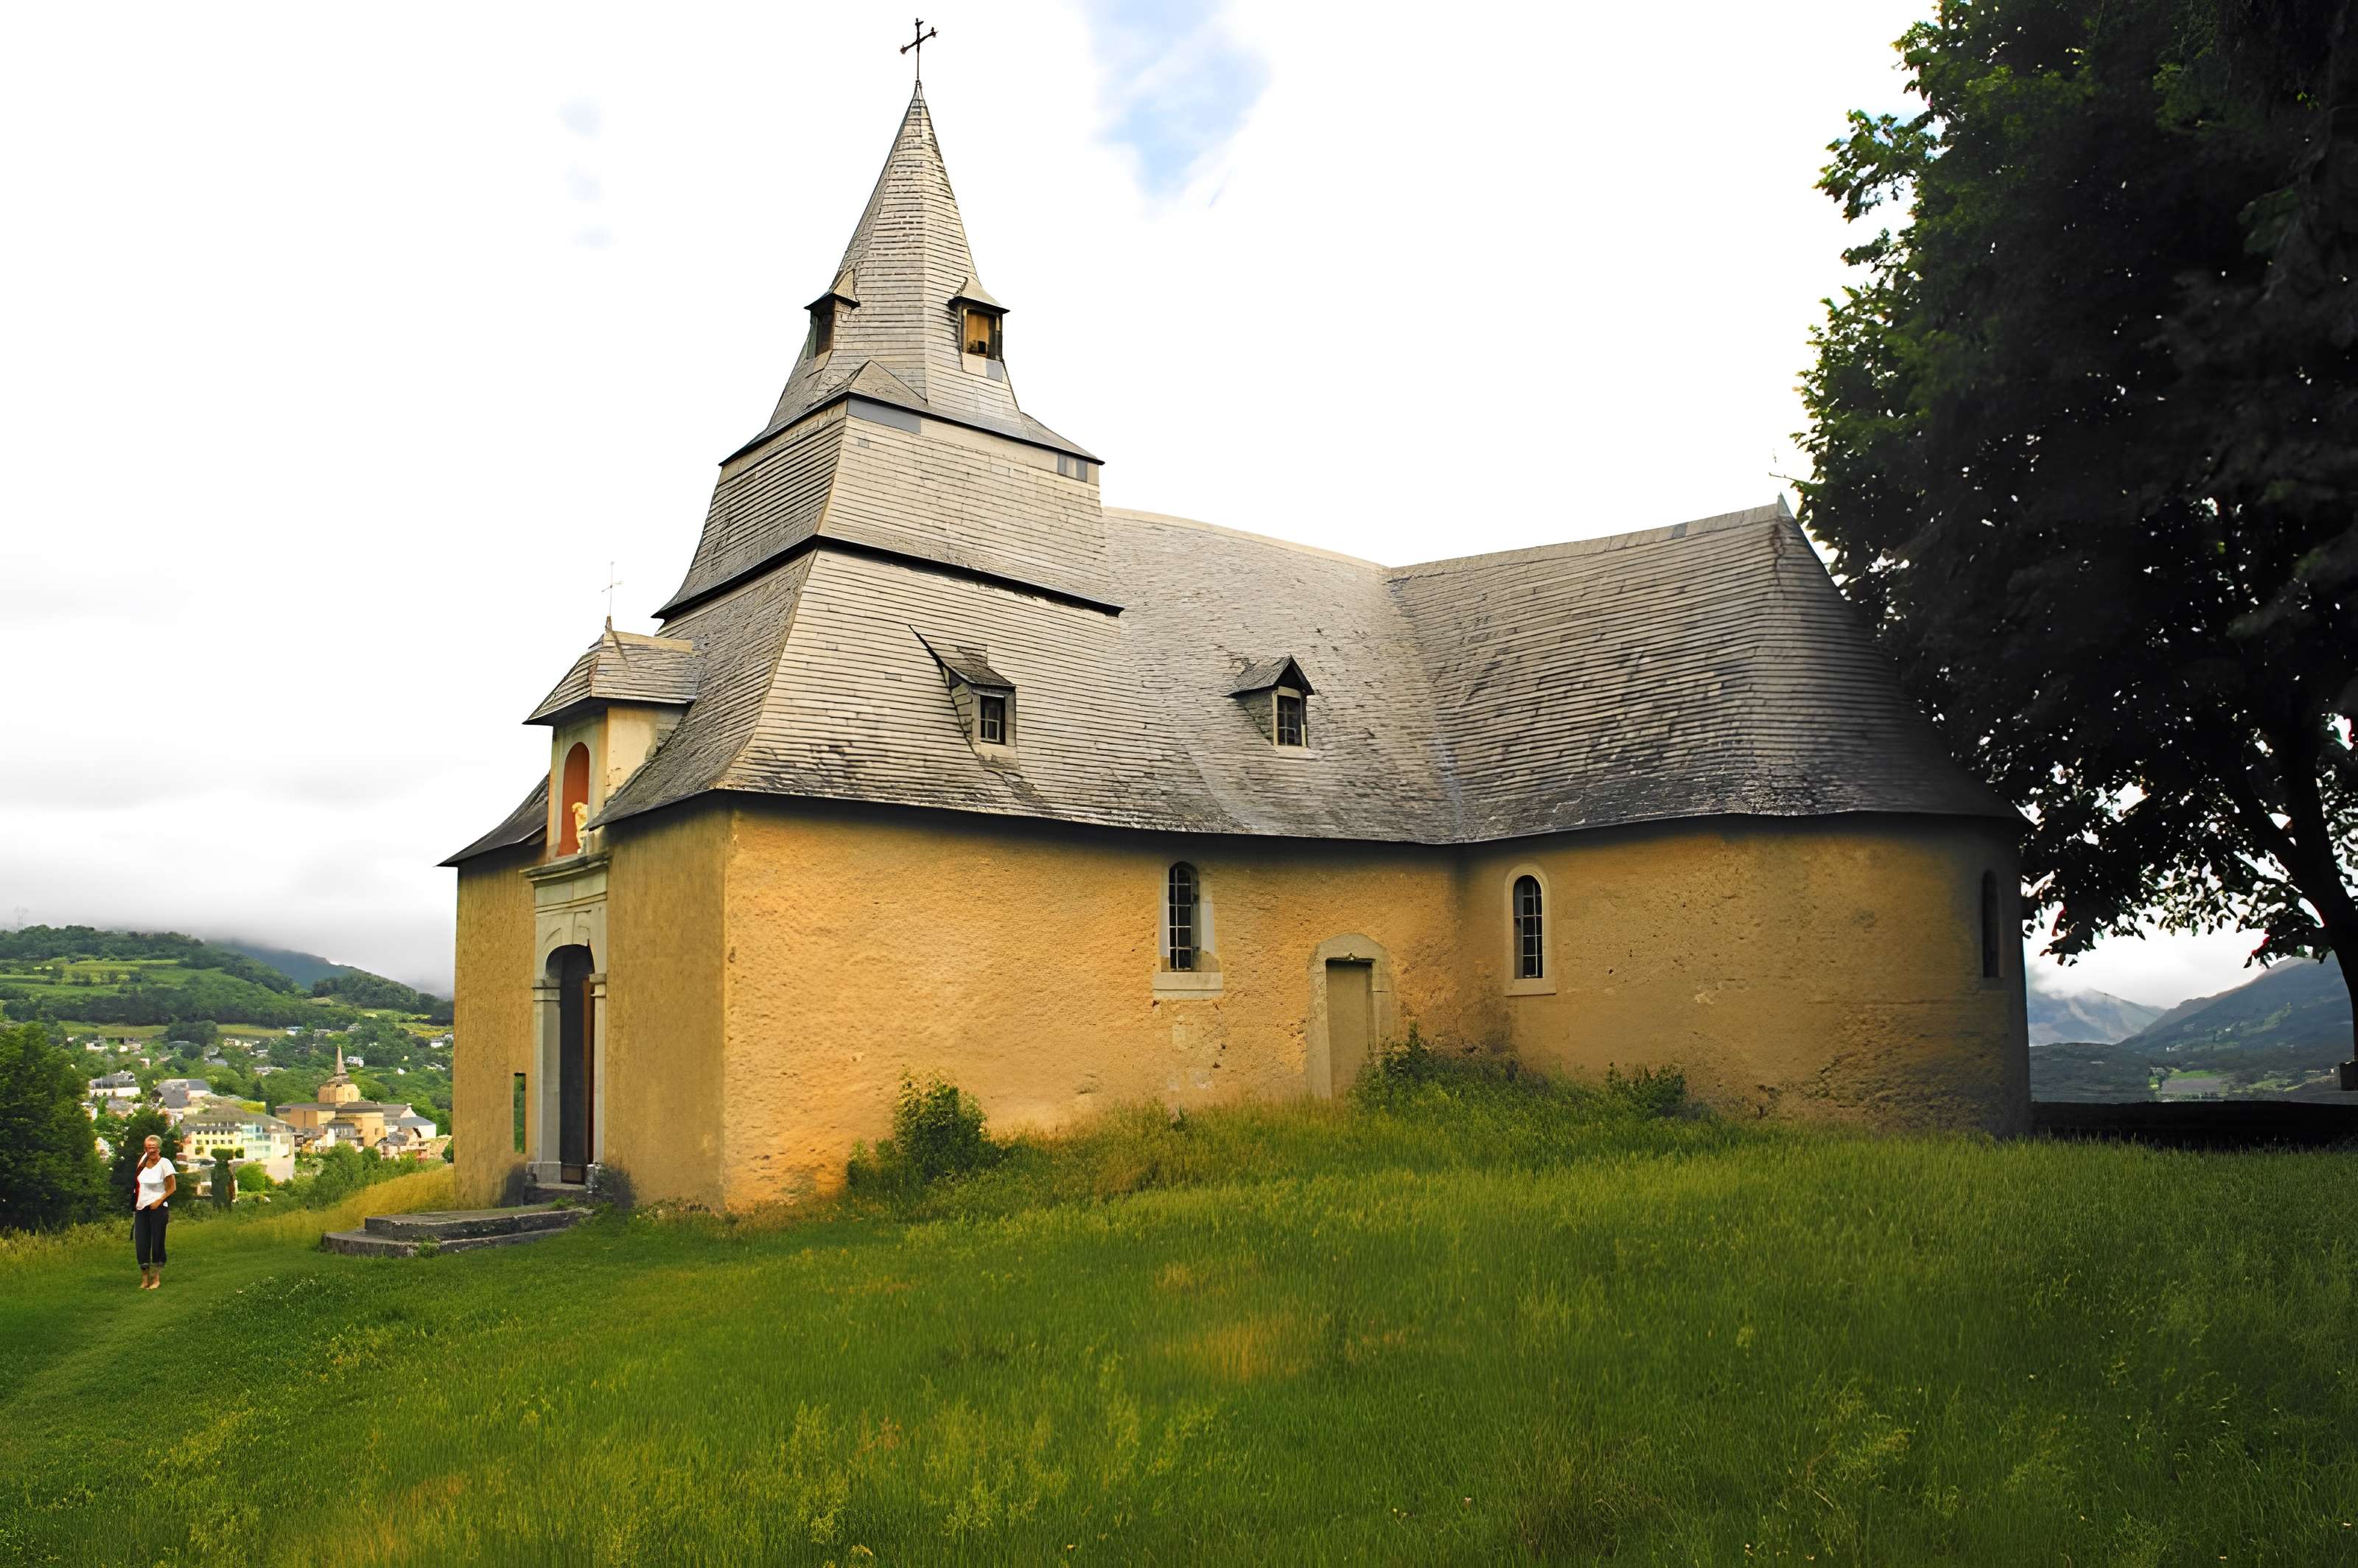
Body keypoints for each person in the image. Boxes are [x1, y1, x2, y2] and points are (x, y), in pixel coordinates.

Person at [132, 1133, 175, 1290]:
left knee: (157, 1243)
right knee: (142, 1244)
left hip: (158, 1208)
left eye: (155, 1147)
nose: (152, 1150)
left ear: (159, 1148)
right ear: (145, 1149)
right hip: (141, 1208)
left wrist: (159, 1201)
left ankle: (156, 1278)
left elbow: (172, 1187)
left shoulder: (165, 1164)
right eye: (149, 1147)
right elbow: (136, 1182)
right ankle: (145, 1279)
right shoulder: (142, 1163)